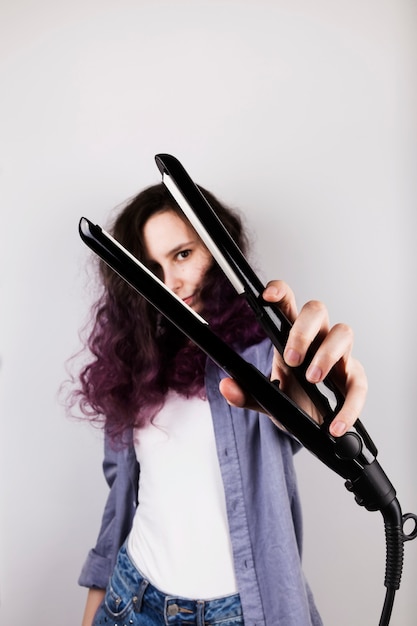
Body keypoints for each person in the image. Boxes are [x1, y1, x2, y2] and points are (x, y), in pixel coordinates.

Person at [70, 182, 367, 626]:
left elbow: (306, 417)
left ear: (217, 246)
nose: (170, 282)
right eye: (152, 267)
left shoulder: (265, 354)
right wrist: (95, 605)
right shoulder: (134, 366)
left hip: (245, 613)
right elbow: (120, 499)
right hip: (132, 602)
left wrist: (320, 394)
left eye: (183, 254)